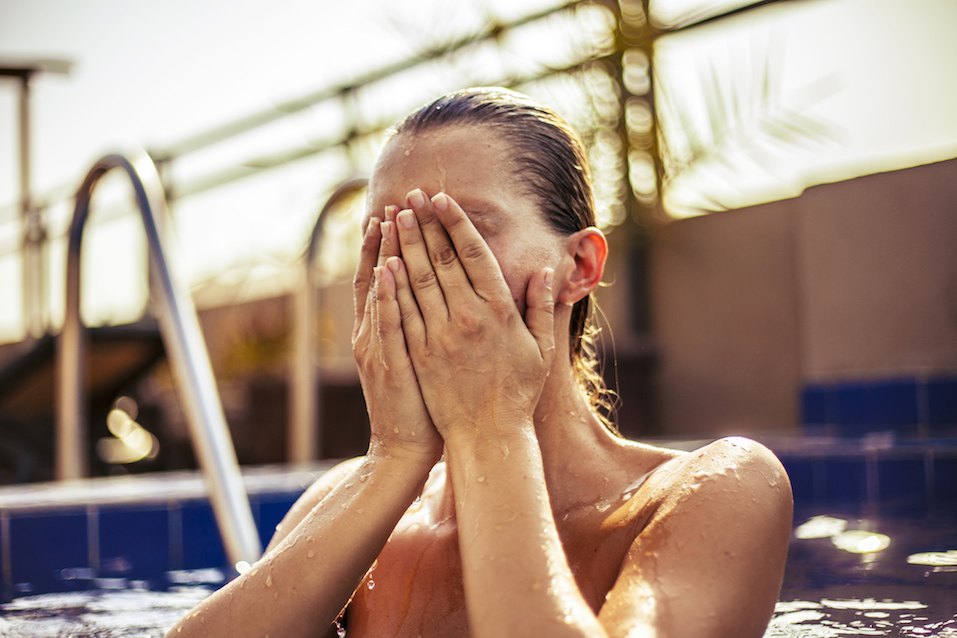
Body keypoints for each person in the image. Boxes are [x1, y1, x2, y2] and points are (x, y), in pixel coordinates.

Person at [168, 87, 792, 638]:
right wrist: (394, 459)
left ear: (580, 267)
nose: (415, 266)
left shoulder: (713, 493)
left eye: (459, 229)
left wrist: (490, 427)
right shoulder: (345, 503)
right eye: (388, 237)